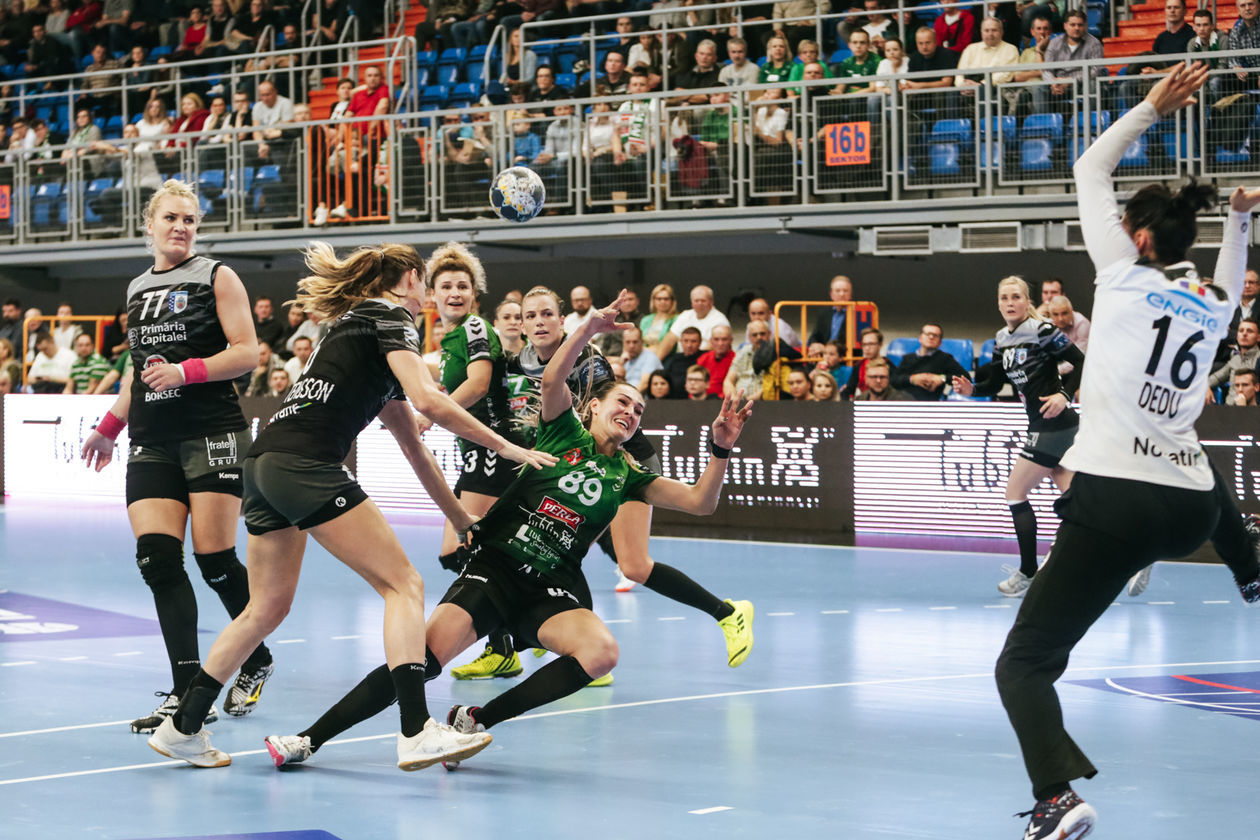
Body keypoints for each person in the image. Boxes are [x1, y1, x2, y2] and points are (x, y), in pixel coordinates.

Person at [261, 291, 756, 769]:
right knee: (421, 661)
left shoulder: (630, 476)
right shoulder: (563, 430)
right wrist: (586, 329)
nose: (630, 413)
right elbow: (554, 376)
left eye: (638, 411)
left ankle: (476, 719)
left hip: (549, 587)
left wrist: (721, 449)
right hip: (496, 570)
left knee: (601, 652)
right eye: (622, 403)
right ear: (594, 407)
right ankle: (308, 739)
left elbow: (701, 502)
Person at [142, 241, 555, 770]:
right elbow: (430, 401)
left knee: (265, 608)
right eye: (427, 280)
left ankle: (183, 726)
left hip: (264, 465)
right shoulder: (390, 317)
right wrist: (509, 447)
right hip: (306, 464)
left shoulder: (357, 328)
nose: (430, 293)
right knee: (403, 584)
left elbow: (414, 445)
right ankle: (416, 730)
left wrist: (459, 518)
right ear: (410, 279)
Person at [994, 63, 1260, 840]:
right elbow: (1233, 277)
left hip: (1116, 499)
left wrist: (1150, 106)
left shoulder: (1119, 277)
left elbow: (1089, 167)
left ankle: (1056, 798)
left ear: (1138, 237)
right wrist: (1239, 221)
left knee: (1024, 663)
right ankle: (1250, 571)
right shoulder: (1213, 304)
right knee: (1192, 457)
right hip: (1193, 507)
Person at [79, 180, 276, 734]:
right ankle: (187, 690)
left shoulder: (217, 276)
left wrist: (186, 371)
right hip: (152, 438)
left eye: (190, 219)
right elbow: (139, 373)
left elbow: (247, 353)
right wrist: (109, 428)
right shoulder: (138, 286)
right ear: (150, 224)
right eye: (171, 217)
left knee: (215, 561)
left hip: (210, 432)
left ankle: (256, 654)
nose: (181, 227)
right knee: (158, 560)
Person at [508, 287, 755, 639]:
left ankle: (727, 615)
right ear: (522, 326)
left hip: (624, 459)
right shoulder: (523, 361)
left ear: (563, 322)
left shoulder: (585, 357)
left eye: (547, 314)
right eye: (530, 316)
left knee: (628, 563)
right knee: (576, 553)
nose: (539, 322)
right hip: (585, 464)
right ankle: (543, 635)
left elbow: (598, 421)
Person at [427, 243, 528, 682]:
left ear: (474, 294)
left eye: (462, 286)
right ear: (431, 294)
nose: (454, 292)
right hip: (479, 451)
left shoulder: (472, 327)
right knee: (468, 551)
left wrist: (430, 414)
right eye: (446, 286)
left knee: (464, 550)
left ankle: (515, 638)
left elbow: (480, 384)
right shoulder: (450, 338)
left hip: (493, 451)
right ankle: (507, 642)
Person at [952, 277, 1084, 597]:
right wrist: (972, 390)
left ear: (1027, 302)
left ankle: (1027, 571)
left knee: (1015, 492)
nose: (1010, 303)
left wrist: (1064, 395)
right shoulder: (1001, 338)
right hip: (1042, 425)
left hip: (1054, 424)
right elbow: (996, 382)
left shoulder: (1042, 331)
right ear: (998, 304)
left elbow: (1081, 361)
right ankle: (1134, 549)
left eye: (1016, 297)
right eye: (1004, 298)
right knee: (1077, 501)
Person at [890, 323, 969, 400]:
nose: (931, 337)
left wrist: (942, 378)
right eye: (928, 334)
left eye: (935, 335)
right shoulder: (908, 358)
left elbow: (965, 377)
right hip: (905, 400)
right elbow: (894, 380)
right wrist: (911, 379)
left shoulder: (945, 358)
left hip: (931, 401)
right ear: (920, 338)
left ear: (940, 342)